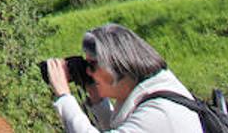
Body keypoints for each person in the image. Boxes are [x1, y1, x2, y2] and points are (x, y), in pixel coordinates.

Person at [44, 23, 200, 132]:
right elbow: (118, 128)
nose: (89, 73)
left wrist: (64, 97)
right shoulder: (154, 88)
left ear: (116, 66)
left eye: (92, 65)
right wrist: (97, 99)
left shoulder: (160, 111)